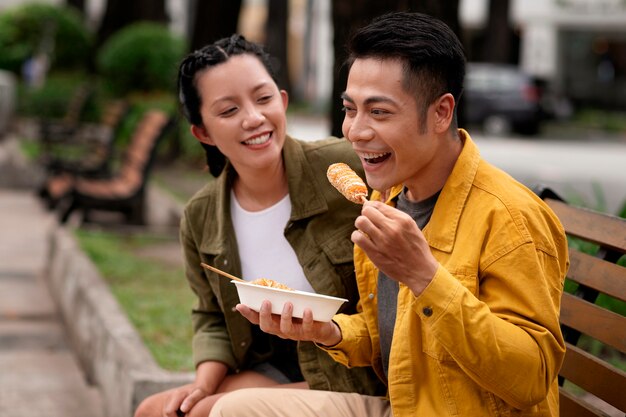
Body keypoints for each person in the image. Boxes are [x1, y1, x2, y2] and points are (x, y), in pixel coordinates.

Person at [210, 12, 569, 417]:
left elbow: (531, 378)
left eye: (378, 112)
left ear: (441, 112)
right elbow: (391, 330)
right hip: (403, 405)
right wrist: (328, 331)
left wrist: (423, 275)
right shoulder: (387, 200)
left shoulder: (510, 217)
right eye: (350, 109)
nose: (355, 131)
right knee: (236, 409)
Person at [134, 34, 383, 417]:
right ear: (203, 132)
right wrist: (202, 385)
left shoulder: (344, 167)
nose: (254, 118)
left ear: (282, 102)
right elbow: (212, 316)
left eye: (263, 99)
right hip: (277, 365)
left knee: (205, 414)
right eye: (229, 110)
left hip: (352, 365)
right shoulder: (202, 216)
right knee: (155, 410)